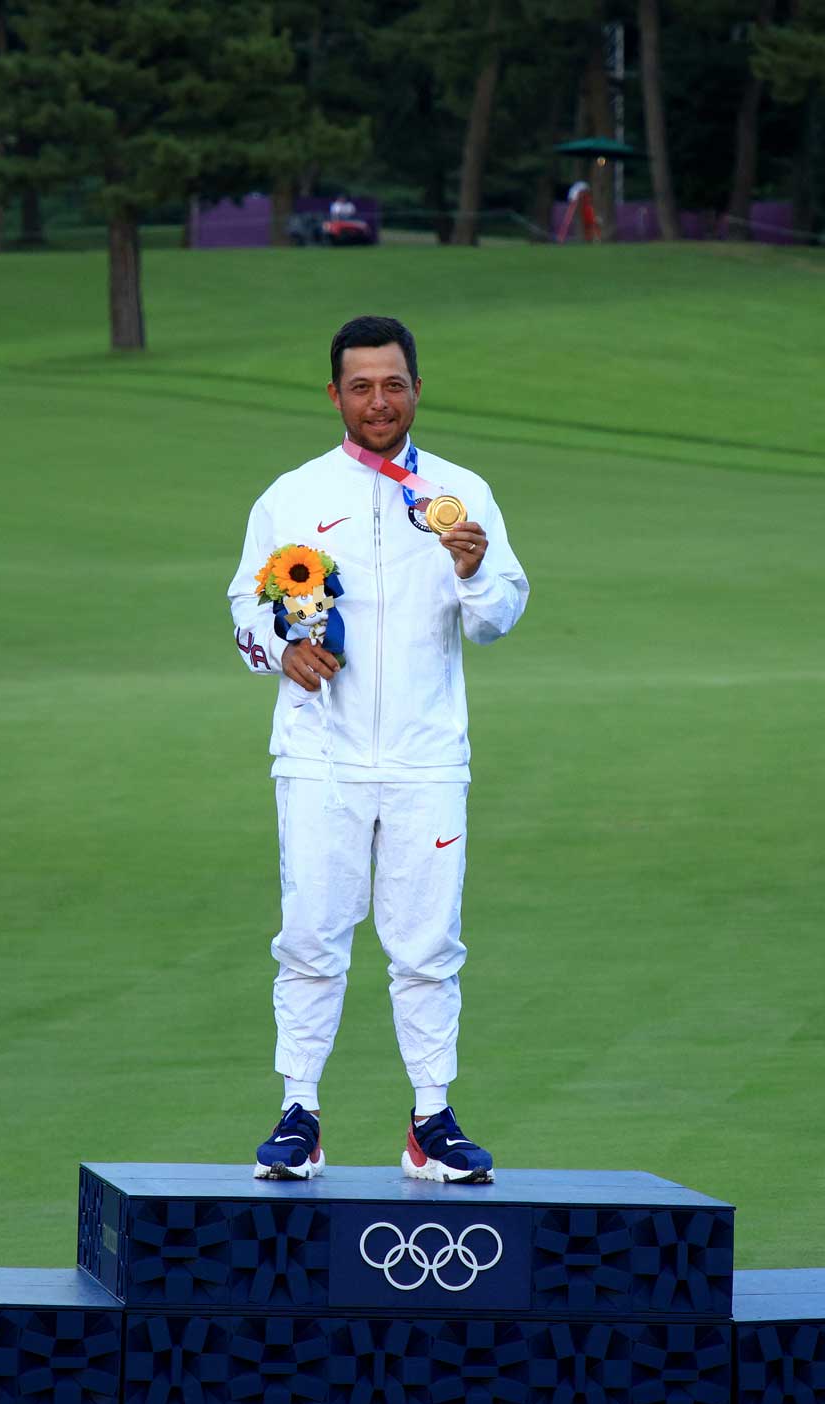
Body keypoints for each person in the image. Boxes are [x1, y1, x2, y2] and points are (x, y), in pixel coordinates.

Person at [225, 316, 530, 1183]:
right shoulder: (289, 496)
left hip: (427, 756)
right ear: (334, 396)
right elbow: (246, 607)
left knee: (427, 946)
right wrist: (281, 650)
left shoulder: (460, 494)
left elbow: (502, 613)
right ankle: (299, 1113)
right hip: (319, 753)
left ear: (417, 389)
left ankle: (431, 1119)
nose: (378, 401)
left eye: (393, 384)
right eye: (360, 386)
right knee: (311, 936)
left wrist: (472, 570)